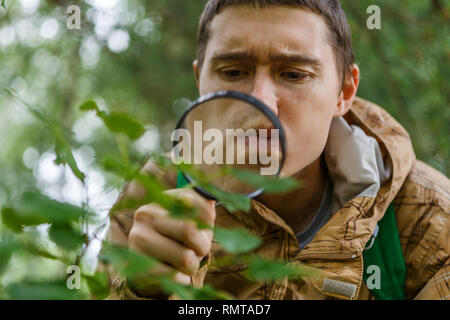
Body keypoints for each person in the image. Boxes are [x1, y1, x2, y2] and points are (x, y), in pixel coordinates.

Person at [103, 0, 450, 300]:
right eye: (234, 71)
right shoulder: (155, 191)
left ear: (344, 92)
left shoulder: (428, 216)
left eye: (294, 74)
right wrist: (141, 290)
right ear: (200, 84)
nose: (258, 102)